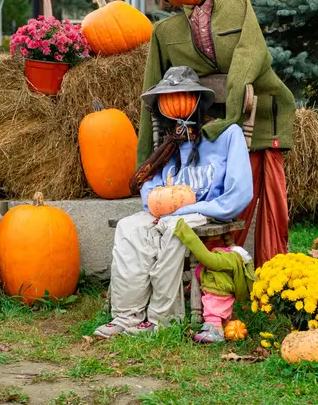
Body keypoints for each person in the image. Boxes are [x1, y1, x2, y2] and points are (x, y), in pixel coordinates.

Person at [139, 0, 296, 266]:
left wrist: (234, 114)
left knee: (270, 201)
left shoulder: (238, 6)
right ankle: (218, 274)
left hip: (260, 111)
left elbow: (250, 55)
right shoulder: (166, 32)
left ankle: (275, 274)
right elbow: (153, 94)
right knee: (217, 190)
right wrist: (146, 163)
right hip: (206, 130)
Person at [96, 67, 253, 339]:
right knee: (128, 228)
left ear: (197, 100)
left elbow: (239, 194)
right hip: (168, 211)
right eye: (168, 99)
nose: (175, 104)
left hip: (205, 210)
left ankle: (162, 318)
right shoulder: (171, 145)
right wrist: (156, 205)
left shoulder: (228, 135)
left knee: (174, 229)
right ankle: (127, 316)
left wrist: (186, 209)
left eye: (181, 96)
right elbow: (150, 188)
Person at [172, 218, 255, 344]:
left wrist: (184, 231)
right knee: (216, 311)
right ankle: (220, 327)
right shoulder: (229, 261)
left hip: (217, 295)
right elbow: (204, 269)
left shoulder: (226, 259)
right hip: (219, 293)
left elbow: (208, 259)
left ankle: (215, 332)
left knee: (213, 313)